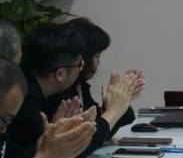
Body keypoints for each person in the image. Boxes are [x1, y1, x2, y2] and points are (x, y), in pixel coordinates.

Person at [8, 22, 136, 158]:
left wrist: (115, 105)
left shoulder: (35, 88)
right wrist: (112, 112)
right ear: (61, 74)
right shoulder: (25, 101)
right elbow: (70, 152)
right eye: (80, 65)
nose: (81, 70)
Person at [48, 18, 144, 137]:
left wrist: (118, 100)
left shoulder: (80, 86)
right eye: (97, 56)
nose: (99, 62)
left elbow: (103, 131)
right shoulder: (60, 90)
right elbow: (85, 140)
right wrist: (113, 111)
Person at [0, 58, 97, 158]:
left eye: (8, 121)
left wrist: (48, 144)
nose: (4, 130)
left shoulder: (3, 137)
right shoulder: (31, 105)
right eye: (3, 121)